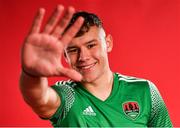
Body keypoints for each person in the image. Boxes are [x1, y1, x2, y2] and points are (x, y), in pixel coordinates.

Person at [19, 4, 173, 127]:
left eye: (91, 45)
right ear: (65, 55)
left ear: (108, 44)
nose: (83, 57)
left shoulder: (145, 91)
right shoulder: (67, 97)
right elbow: (38, 97)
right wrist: (31, 74)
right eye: (73, 50)